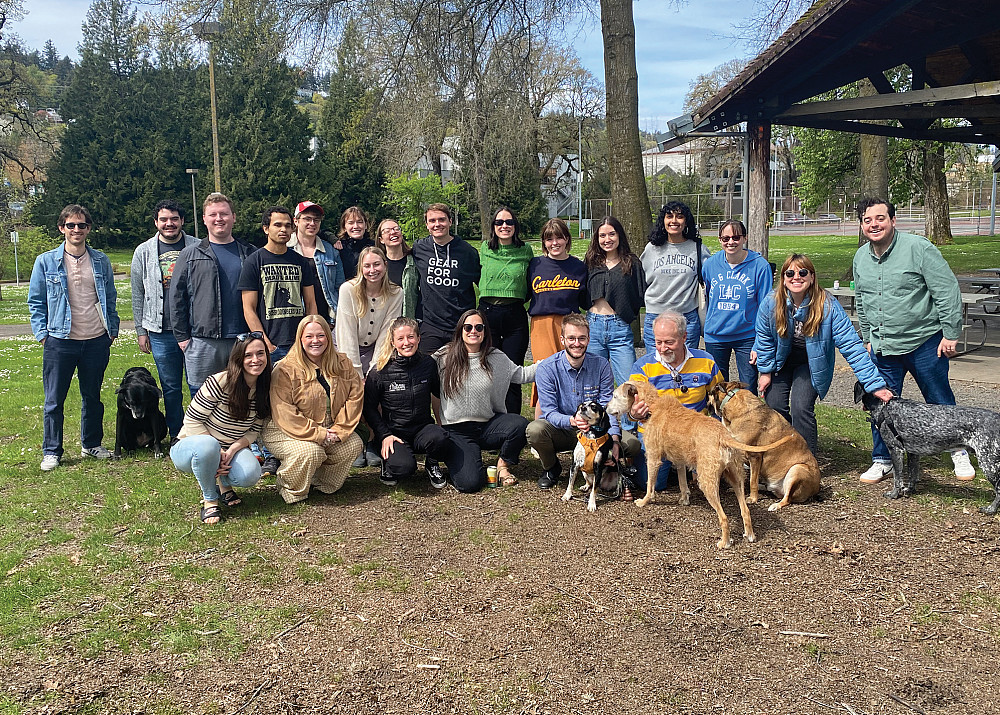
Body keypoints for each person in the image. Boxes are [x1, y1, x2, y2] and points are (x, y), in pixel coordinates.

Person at [852, 197, 972, 483]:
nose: (874, 224)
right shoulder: (860, 258)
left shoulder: (918, 248)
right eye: (868, 220)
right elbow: (863, 300)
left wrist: (951, 333)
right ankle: (883, 459)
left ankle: (958, 452)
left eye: (880, 218)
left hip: (925, 343)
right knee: (880, 405)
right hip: (883, 347)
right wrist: (868, 337)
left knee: (940, 400)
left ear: (893, 221)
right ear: (862, 225)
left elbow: (946, 290)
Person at [755, 254, 892, 455]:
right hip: (781, 360)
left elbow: (852, 347)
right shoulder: (771, 303)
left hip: (812, 363)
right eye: (790, 273)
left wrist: (875, 385)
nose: (796, 277)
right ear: (783, 278)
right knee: (775, 405)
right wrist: (765, 372)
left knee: (801, 407)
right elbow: (764, 338)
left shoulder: (828, 306)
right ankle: (782, 454)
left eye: (802, 272)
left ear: (811, 277)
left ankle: (807, 460)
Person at [28, 204, 120, 471]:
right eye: (71, 225)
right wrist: (43, 335)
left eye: (81, 225)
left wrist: (110, 331)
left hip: (95, 339)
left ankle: (91, 444)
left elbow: (110, 298)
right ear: (62, 228)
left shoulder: (101, 260)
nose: (76, 230)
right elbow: (36, 301)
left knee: (92, 396)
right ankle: (52, 451)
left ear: (88, 228)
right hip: (59, 340)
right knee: (54, 399)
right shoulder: (46, 261)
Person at [527, 313, 640, 490]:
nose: (577, 343)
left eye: (582, 338)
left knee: (632, 445)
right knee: (535, 430)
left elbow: (606, 410)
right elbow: (548, 412)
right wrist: (572, 421)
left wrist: (615, 440)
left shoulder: (602, 365)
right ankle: (551, 468)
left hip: (596, 433)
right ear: (562, 339)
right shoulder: (547, 369)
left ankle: (605, 464)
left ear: (588, 339)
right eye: (571, 338)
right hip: (564, 430)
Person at [261, 316, 364, 503]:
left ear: (328, 337)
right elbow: (284, 412)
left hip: (329, 427)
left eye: (320, 335)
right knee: (310, 452)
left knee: (353, 444)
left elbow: (354, 397)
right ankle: (290, 488)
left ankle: (318, 482)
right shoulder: (285, 369)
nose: (315, 341)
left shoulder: (342, 363)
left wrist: (339, 430)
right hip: (284, 429)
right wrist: (318, 434)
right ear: (300, 339)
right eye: (309, 336)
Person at [170, 333, 271, 524]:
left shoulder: (265, 388)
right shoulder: (220, 382)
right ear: (238, 358)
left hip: (228, 449)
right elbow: (192, 421)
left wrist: (231, 451)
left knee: (250, 475)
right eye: (249, 355)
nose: (255, 360)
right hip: (192, 447)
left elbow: (254, 430)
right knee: (208, 446)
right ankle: (210, 499)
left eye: (260, 353)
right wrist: (218, 451)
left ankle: (224, 484)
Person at [434, 309, 536, 491]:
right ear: (460, 331)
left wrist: (555, 361)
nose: (473, 331)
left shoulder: (495, 357)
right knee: (470, 484)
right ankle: (459, 459)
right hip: (457, 430)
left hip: (487, 426)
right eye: (468, 327)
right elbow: (420, 371)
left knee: (519, 425)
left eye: (478, 327)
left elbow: (522, 374)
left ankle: (503, 466)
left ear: (485, 331)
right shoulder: (443, 357)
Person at [627, 312, 722, 495]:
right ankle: (672, 468)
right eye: (658, 342)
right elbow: (631, 410)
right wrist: (634, 414)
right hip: (658, 436)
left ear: (684, 337)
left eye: (669, 342)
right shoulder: (642, 367)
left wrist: (716, 435)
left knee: (712, 480)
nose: (663, 348)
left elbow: (718, 401)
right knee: (653, 483)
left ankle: (684, 467)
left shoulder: (706, 361)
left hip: (695, 435)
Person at [170, 192, 254, 394]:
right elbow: (176, 298)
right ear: (204, 219)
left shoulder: (250, 253)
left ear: (234, 217)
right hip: (202, 341)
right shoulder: (190, 254)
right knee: (202, 401)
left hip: (242, 340)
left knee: (242, 398)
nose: (219, 219)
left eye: (224, 214)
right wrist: (183, 339)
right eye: (213, 214)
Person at [130, 199, 199, 444]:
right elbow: (138, 292)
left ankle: (199, 432)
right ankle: (176, 434)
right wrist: (141, 330)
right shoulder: (144, 251)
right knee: (170, 388)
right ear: (156, 222)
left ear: (182, 220)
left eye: (174, 219)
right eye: (164, 219)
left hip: (194, 330)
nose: (169, 224)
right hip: (160, 332)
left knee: (197, 385)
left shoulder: (198, 246)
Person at [363, 317, 452, 489]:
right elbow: (369, 407)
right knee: (403, 468)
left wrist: (441, 423)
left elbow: (437, 394)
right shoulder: (380, 370)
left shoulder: (428, 364)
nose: (406, 343)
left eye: (411, 337)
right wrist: (384, 435)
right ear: (392, 342)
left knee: (442, 438)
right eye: (400, 339)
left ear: (419, 338)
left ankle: (432, 463)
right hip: (394, 433)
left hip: (422, 428)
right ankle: (388, 462)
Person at [700, 219, 773, 395]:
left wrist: (758, 344)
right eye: (725, 238)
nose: (730, 242)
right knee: (717, 390)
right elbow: (706, 295)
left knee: (747, 388)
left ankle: (747, 422)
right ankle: (720, 422)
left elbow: (766, 307)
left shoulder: (760, 266)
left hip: (747, 336)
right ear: (719, 240)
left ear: (744, 238)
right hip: (716, 336)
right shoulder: (710, 265)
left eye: (735, 237)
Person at [237, 206, 318, 362]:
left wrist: (307, 338)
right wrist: (265, 343)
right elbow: (248, 308)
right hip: (270, 346)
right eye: (278, 225)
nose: (284, 229)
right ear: (266, 229)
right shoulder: (253, 262)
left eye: (288, 225)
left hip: (299, 345)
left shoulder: (301, 262)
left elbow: (310, 303)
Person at [527, 217, 589, 415]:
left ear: (567, 240)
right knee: (545, 371)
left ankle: (571, 421)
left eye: (559, 238)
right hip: (542, 324)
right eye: (549, 239)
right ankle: (541, 426)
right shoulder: (535, 265)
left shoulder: (578, 267)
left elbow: (585, 300)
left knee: (570, 369)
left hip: (569, 323)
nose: (554, 243)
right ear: (544, 242)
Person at [479, 206, 534, 415]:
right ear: (493, 227)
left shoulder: (526, 251)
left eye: (509, 222)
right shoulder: (485, 249)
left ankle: (513, 422)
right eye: (499, 222)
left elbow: (530, 282)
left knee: (513, 372)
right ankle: (489, 420)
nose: (504, 226)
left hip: (515, 316)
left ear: (515, 226)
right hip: (487, 314)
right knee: (487, 371)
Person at [641, 201, 711, 352]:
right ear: (663, 221)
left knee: (685, 369)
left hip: (686, 318)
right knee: (657, 370)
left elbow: (710, 278)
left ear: (686, 221)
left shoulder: (697, 248)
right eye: (669, 216)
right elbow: (642, 279)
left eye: (679, 217)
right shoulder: (651, 248)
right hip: (655, 316)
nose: (674, 221)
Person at [411, 203, 481, 353]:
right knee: (428, 371)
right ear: (427, 224)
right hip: (431, 324)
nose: (437, 224)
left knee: (461, 373)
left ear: (450, 221)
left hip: (461, 324)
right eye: (432, 220)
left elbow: (483, 283)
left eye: (442, 220)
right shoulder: (419, 248)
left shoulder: (467, 252)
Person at [584, 215, 644, 389]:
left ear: (619, 236)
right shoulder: (590, 262)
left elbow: (639, 294)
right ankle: (603, 418)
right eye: (602, 235)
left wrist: (626, 313)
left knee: (630, 386)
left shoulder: (632, 263)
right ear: (597, 238)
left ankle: (627, 418)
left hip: (620, 330)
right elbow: (582, 292)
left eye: (611, 234)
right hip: (593, 327)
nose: (607, 239)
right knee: (592, 385)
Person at [335, 246, 404, 377]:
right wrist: (357, 374)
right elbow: (347, 334)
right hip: (343, 347)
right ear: (361, 268)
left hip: (375, 349)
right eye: (367, 266)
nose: (372, 270)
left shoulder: (396, 293)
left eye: (376, 264)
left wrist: (374, 371)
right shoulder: (348, 290)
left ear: (385, 265)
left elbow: (386, 333)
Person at [288, 200, 345, 327]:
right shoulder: (285, 249)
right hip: (295, 321)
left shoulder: (331, 251)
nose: (312, 223)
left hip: (329, 320)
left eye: (316, 220)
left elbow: (340, 287)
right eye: (307, 219)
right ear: (296, 221)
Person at [376, 218, 418, 318]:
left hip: (410, 321)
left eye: (396, 229)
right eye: (387, 231)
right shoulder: (377, 265)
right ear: (381, 239)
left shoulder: (414, 261)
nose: (393, 232)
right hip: (384, 321)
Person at [333, 206, 375, 281]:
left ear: (365, 225)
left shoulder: (375, 247)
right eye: (351, 223)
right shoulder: (339, 247)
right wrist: (330, 236)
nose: (355, 226)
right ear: (344, 227)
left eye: (359, 222)